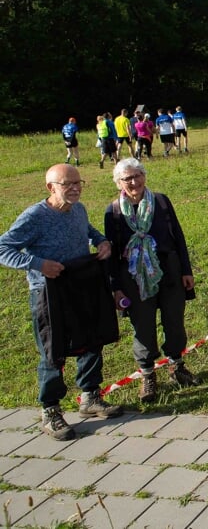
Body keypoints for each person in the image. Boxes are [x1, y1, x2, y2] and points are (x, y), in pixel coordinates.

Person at [0, 164, 122, 440]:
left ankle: (90, 397)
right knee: (52, 350)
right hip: (48, 292)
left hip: (81, 285)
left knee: (92, 340)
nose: (75, 188)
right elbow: (3, 248)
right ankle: (50, 411)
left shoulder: (77, 209)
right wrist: (38, 264)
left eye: (78, 182)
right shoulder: (35, 216)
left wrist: (103, 243)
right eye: (67, 184)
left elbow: (90, 232)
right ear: (50, 187)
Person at [105, 159, 199, 402]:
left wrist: (186, 271)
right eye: (127, 179)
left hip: (169, 271)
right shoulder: (113, 211)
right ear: (119, 183)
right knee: (143, 327)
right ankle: (147, 375)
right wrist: (116, 287)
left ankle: (177, 367)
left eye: (138, 176)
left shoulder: (161, 201)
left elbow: (178, 236)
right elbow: (113, 254)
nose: (134, 182)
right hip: (134, 278)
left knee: (174, 321)